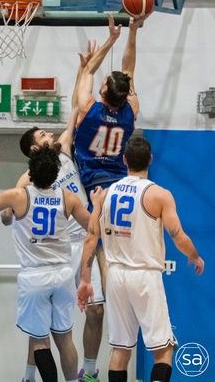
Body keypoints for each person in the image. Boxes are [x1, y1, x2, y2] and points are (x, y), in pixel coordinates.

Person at [77, 136, 205, 382]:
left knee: (121, 349)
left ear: (124, 160)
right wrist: (195, 256)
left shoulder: (105, 195)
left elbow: (90, 239)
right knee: (163, 349)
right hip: (144, 276)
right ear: (150, 160)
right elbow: (178, 236)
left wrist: (85, 280)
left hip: (115, 276)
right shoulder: (159, 194)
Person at [0, 145, 100, 382]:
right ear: (55, 173)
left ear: (30, 172)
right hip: (63, 275)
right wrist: (98, 205)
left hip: (35, 276)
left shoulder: (18, 196)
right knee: (65, 339)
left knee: (40, 342)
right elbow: (94, 229)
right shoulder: (68, 197)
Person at [73, 13, 149, 208]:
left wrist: (111, 39)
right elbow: (128, 69)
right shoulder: (131, 109)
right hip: (120, 183)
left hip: (89, 183)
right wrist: (133, 32)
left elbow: (88, 70)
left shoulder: (88, 107)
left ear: (103, 90)